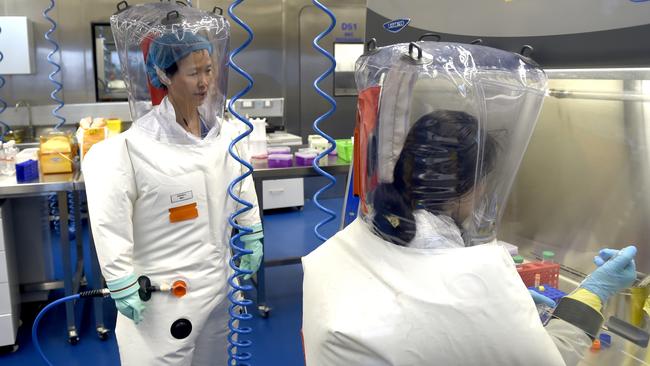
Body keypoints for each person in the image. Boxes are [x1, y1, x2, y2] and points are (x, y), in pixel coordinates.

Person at [302, 41, 638, 366]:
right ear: (475, 187)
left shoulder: (357, 240)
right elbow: (550, 360)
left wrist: (504, 311)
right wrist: (593, 291)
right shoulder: (469, 278)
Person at [82, 4, 262, 365]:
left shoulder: (226, 136)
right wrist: (119, 279)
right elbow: (110, 219)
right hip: (165, 298)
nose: (204, 82)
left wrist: (252, 229)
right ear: (164, 75)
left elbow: (240, 187)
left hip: (221, 285)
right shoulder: (129, 149)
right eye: (193, 72)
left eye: (209, 70)